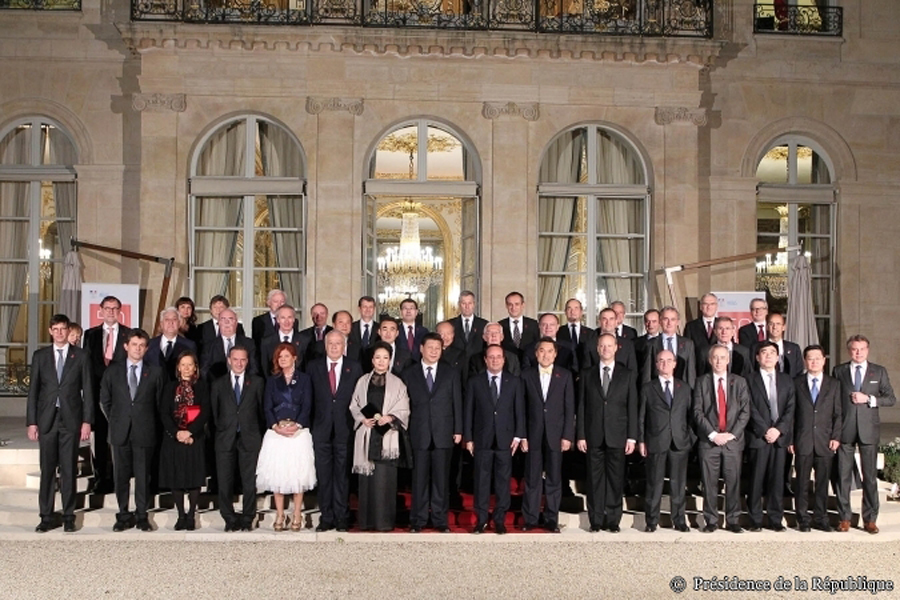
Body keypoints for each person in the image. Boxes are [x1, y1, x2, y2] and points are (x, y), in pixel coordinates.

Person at [26, 314, 94, 533]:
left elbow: (88, 391)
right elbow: (33, 392)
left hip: (71, 420)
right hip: (47, 419)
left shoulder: (81, 356)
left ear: (68, 331)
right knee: (47, 470)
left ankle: (68, 515)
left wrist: (87, 421)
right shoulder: (40, 356)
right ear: (50, 331)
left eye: (63, 329)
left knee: (68, 470)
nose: (59, 333)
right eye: (55, 329)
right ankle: (46, 516)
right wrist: (32, 422)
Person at [100, 328, 166, 532]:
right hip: (120, 431)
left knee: (143, 476)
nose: (137, 349)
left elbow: (159, 403)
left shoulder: (155, 372)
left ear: (146, 348)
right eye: (134, 345)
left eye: (141, 345)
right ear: (126, 346)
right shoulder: (113, 370)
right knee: (120, 476)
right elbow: (105, 400)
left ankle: (141, 515)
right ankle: (122, 514)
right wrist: (117, 420)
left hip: (144, 431)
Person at [833, 335, 896, 534]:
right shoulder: (839, 371)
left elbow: (890, 398)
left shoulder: (879, 371)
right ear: (849, 350)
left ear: (868, 350)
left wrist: (868, 398)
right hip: (845, 429)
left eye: (862, 349)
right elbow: (834, 400)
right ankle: (844, 517)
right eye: (854, 349)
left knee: (869, 477)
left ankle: (870, 519)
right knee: (843, 476)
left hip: (869, 430)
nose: (858, 352)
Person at [576, 332, 637, 533]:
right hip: (593, 435)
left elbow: (632, 407)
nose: (605, 349)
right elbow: (582, 406)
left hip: (617, 435)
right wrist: (581, 435)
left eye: (609, 346)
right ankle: (595, 519)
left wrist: (632, 436)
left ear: (616, 348)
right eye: (602, 346)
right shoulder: (587, 373)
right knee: (594, 480)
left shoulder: (626, 374)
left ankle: (613, 520)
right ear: (597, 348)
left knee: (615, 479)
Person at [402, 333, 462, 533]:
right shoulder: (410, 373)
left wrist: (458, 429)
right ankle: (417, 520)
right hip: (418, 432)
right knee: (419, 480)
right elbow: (405, 404)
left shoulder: (450, 372)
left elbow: (457, 402)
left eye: (438, 348)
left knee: (441, 480)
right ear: (421, 349)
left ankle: (439, 520)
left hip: (443, 433)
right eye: (430, 347)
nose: (434, 351)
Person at [464, 344, 525, 534]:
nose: (495, 360)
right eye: (491, 357)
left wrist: (518, 435)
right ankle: (481, 520)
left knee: (502, 481)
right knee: (481, 481)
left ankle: (499, 519)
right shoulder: (475, 382)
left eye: (498, 357)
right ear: (485, 359)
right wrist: (469, 438)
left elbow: (519, 411)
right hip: (482, 439)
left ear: (504, 359)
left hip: (505, 440)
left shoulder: (514, 382)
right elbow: (468, 412)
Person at [350, 342, 411, 531]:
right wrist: (362, 419)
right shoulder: (362, 381)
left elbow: (404, 408)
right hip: (368, 433)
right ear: (372, 360)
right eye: (378, 357)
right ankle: (367, 522)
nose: (381, 361)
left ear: (390, 360)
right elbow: (354, 404)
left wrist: (390, 417)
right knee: (367, 481)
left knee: (384, 481)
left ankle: (384, 523)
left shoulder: (397, 383)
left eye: (385, 358)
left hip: (387, 435)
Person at [257, 343, 317, 532]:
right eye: (280, 357)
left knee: (297, 474)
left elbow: (308, 405)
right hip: (277, 433)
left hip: (298, 432)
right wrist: (276, 426)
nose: (283, 359)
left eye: (286, 356)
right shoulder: (272, 380)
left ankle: (297, 513)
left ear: (294, 358)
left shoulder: (305, 379)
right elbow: (266, 406)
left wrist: (297, 424)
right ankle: (280, 514)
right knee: (279, 475)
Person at [308, 330, 364, 532]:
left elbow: (360, 398)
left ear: (344, 345)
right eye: (330, 343)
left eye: (338, 343)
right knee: (324, 475)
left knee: (342, 475)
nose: (333, 346)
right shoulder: (313, 367)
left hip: (345, 429)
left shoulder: (354, 367)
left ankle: (342, 516)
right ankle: (326, 516)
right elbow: (309, 399)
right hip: (321, 429)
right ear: (325, 345)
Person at [693, 344, 750, 533]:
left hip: (732, 441)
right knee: (709, 483)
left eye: (722, 357)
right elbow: (697, 412)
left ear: (728, 360)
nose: (718, 361)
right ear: (710, 360)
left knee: (733, 482)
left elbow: (745, 411)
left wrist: (731, 434)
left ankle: (733, 520)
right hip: (709, 442)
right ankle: (711, 520)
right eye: (715, 357)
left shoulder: (739, 382)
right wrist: (713, 435)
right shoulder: (701, 382)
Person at [520, 338, 575, 532]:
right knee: (533, 479)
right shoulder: (526, 375)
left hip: (556, 434)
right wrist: (522, 435)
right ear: (536, 354)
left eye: (549, 351)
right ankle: (530, 518)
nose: (545, 355)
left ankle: (551, 519)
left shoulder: (565, 375)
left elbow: (569, 408)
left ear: (555, 354)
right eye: (542, 351)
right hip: (533, 434)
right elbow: (521, 408)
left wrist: (567, 436)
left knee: (553, 479)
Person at [210, 345, 265, 532]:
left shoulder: (257, 382)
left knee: (249, 480)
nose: (239, 363)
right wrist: (223, 429)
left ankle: (248, 517)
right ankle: (229, 518)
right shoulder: (218, 384)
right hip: (225, 437)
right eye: (235, 359)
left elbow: (260, 411)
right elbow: (214, 413)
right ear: (229, 360)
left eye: (243, 359)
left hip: (250, 438)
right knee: (225, 480)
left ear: (247, 361)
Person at [638, 349, 694, 533]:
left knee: (678, 484)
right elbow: (642, 417)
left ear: (675, 363)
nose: (665, 364)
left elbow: (691, 416)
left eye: (668, 360)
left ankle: (679, 520)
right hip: (656, 440)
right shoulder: (648, 388)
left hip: (679, 442)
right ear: (656, 364)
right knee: (654, 483)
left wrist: (689, 439)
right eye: (661, 361)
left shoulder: (684, 388)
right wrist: (641, 440)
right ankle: (651, 521)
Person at [791, 344, 842, 532]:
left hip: (825, 441)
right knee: (802, 483)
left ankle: (821, 517)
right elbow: (791, 414)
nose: (814, 362)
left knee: (822, 483)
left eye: (817, 358)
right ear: (805, 361)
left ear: (824, 360)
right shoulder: (796, 383)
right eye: (810, 358)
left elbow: (838, 413)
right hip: (803, 440)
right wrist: (790, 440)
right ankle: (802, 518)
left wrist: (836, 437)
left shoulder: (834, 384)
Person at [746, 341, 795, 532]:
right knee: (756, 480)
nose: (768, 356)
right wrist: (765, 429)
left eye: (772, 353)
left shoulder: (787, 380)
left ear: (778, 357)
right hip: (759, 437)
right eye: (764, 353)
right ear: (757, 357)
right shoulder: (749, 379)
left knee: (777, 481)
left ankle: (775, 519)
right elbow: (749, 407)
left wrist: (778, 429)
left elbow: (791, 408)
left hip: (780, 438)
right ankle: (755, 519)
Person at [83, 295, 130, 494]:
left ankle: (122, 477)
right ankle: (102, 479)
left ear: (120, 311)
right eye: (107, 308)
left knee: (121, 438)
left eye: (114, 308)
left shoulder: (129, 334)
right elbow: (86, 366)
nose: (111, 311)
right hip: (97, 395)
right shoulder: (90, 334)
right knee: (100, 439)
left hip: (122, 396)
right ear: (101, 310)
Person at [158, 351, 209, 531]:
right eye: (183, 365)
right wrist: (177, 432)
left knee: (194, 478)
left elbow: (205, 412)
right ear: (178, 367)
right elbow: (164, 412)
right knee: (176, 477)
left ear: (195, 368)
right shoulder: (170, 387)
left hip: (194, 438)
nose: (187, 368)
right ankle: (180, 515)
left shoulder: (202, 387)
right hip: (174, 438)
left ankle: (191, 515)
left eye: (190, 365)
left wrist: (190, 433)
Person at [642, 306, 696, 390]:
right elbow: (647, 373)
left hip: (681, 392)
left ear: (678, 322)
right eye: (665, 319)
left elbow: (691, 372)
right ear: (660, 321)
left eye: (673, 319)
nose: (669, 323)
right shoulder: (652, 343)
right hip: (658, 391)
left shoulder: (688, 344)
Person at [200, 308, 256, 381]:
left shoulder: (249, 343)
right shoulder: (209, 346)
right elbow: (204, 370)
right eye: (223, 319)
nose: (226, 322)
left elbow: (254, 368)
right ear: (219, 323)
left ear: (236, 323)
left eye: (230, 319)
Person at [146, 306, 197, 382]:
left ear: (179, 323)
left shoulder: (189, 345)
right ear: (161, 324)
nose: (171, 322)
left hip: (178, 388)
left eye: (174, 319)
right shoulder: (150, 344)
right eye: (167, 320)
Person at [259, 304, 305, 375]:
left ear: (294, 319)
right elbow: (265, 368)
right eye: (283, 318)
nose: (287, 321)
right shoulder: (266, 342)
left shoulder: (305, 340)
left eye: (289, 317)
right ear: (277, 320)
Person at [499, 291, 539, 361]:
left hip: (528, 364)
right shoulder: (500, 325)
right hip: (508, 364)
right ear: (506, 306)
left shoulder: (533, 324)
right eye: (510, 304)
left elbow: (537, 344)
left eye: (517, 304)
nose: (513, 308)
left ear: (523, 305)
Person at [557, 298, 593, 375]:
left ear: (581, 312)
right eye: (569, 308)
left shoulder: (591, 333)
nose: (572, 312)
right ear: (565, 312)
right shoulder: (558, 332)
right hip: (563, 374)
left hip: (585, 374)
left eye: (576, 308)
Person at [449, 290, 488, 359]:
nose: (467, 306)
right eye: (464, 303)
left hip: (477, 365)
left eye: (470, 303)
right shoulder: (450, 324)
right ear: (459, 304)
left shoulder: (484, 324)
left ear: (474, 304)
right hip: (456, 365)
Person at [683, 293, 718, 367]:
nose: (709, 307)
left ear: (716, 306)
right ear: (701, 307)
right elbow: (687, 351)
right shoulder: (691, 326)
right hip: (698, 368)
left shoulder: (723, 325)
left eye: (712, 304)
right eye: (705, 304)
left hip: (718, 367)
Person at [251, 289, 289, 355]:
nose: (279, 305)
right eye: (275, 301)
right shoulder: (258, 321)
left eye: (282, 302)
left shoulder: (292, 321)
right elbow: (256, 346)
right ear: (268, 303)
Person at [765, 312, 803, 378]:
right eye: (771, 324)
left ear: (783, 327)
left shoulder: (794, 348)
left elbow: (799, 373)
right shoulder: (757, 348)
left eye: (778, 324)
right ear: (767, 327)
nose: (774, 327)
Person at [348, 296, 378, 362]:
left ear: (374, 309)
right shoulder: (350, 327)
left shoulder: (380, 328)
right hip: (354, 365)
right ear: (359, 309)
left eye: (370, 307)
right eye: (365, 307)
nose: (368, 310)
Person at [633, 309, 660, 376]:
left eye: (654, 321)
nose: (650, 325)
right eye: (647, 321)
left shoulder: (665, 341)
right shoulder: (635, 343)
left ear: (660, 322)